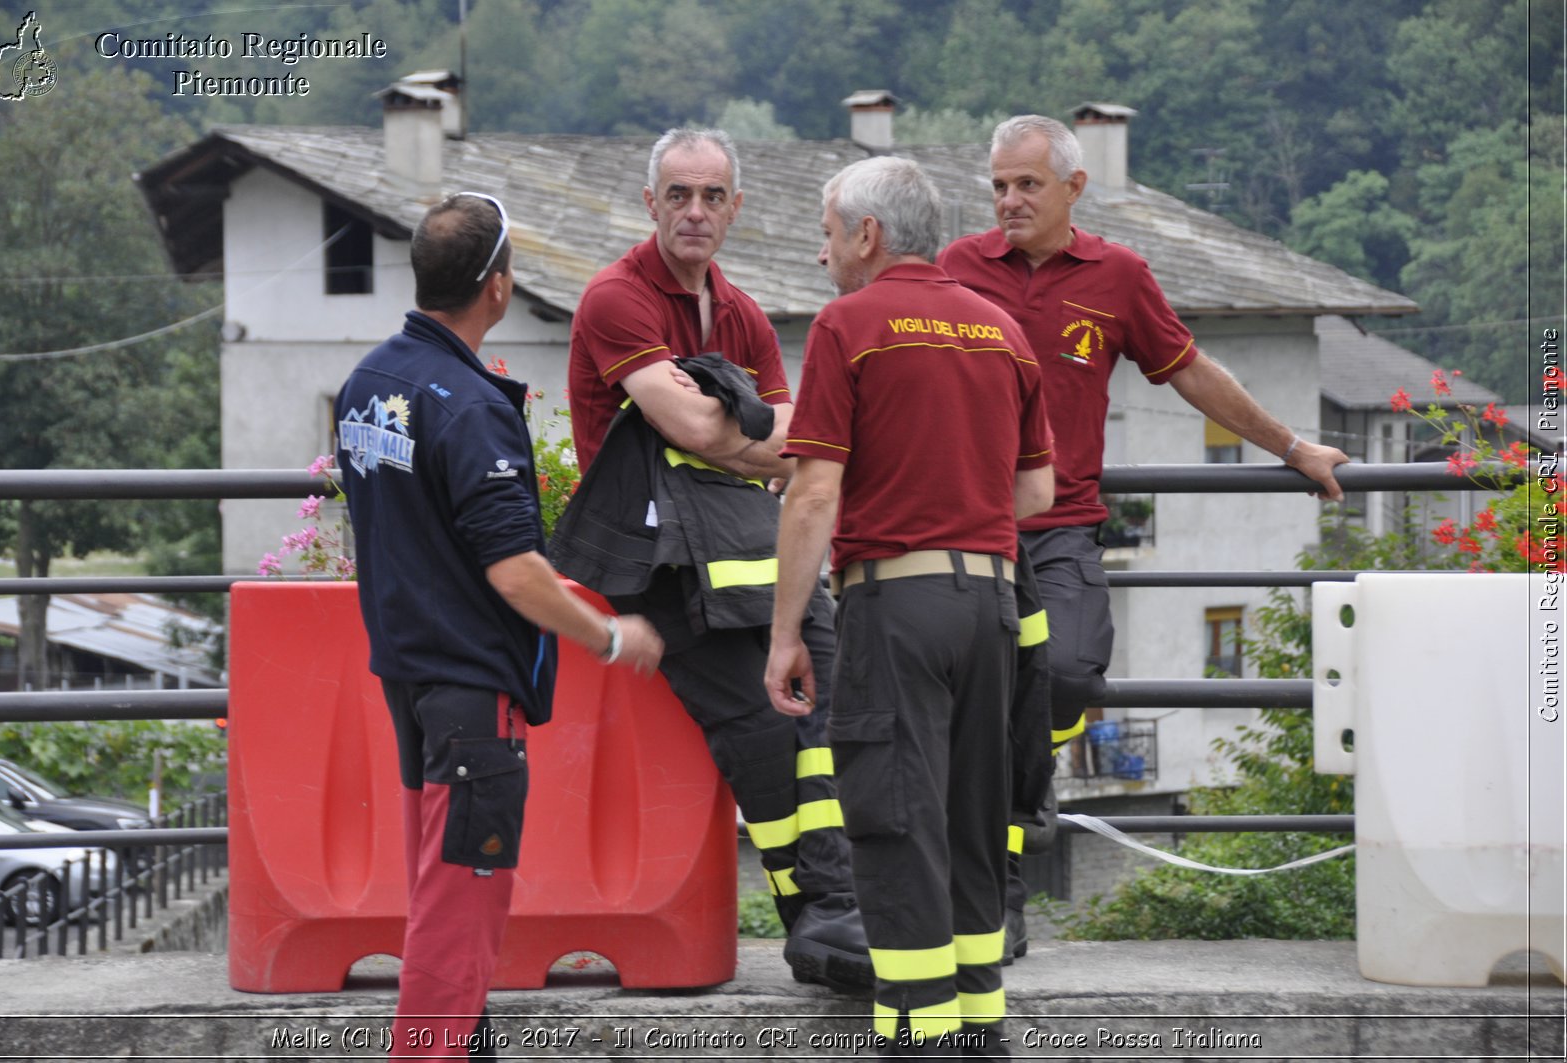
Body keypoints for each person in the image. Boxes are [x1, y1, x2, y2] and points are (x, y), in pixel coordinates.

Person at [936, 114, 1352, 960]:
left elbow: (1190, 369)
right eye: (999, 186)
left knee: (1066, 674)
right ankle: (997, 905)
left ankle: (1036, 770)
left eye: (1027, 185)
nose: (1009, 200)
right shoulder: (957, 269)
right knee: (974, 719)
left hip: (1060, 530)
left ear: (1073, 188)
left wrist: (1292, 446)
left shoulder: (1119, 276)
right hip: (965, 531)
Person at [334, 191, 663, 1059]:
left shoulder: (370, 382)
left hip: (408, 680)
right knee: (460, 916)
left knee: (438, 893)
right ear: (499, 288)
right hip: (472, 698)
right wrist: (611, 636)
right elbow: (516, 571)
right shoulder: (470, 407)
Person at [565, 128, 871, 989]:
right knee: (757, 721)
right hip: (654, 563)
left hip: (749, 547)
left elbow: (799, 444)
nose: (694, 211)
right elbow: (708, 428)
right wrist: (746, 432)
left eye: (711, 196)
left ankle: (842, 905)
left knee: (830, 698)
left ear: (735, 207)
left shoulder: (739, 312)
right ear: (650, 203)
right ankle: (817, 916)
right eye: (677, 194)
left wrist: (740, 433)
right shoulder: (614, 298)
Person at [766, 155, 1055, 1057]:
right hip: (994, 604)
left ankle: (918, 1036)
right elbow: (1038, 491)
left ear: (868, 234)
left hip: (897, 606)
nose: (823, 256)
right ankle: (978, 1030)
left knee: (894, 819)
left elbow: (813, 494)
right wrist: (951, 503)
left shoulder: (849, 325)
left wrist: (785, 636)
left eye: (826, 233)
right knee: (972, 819)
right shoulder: (1002, 330)